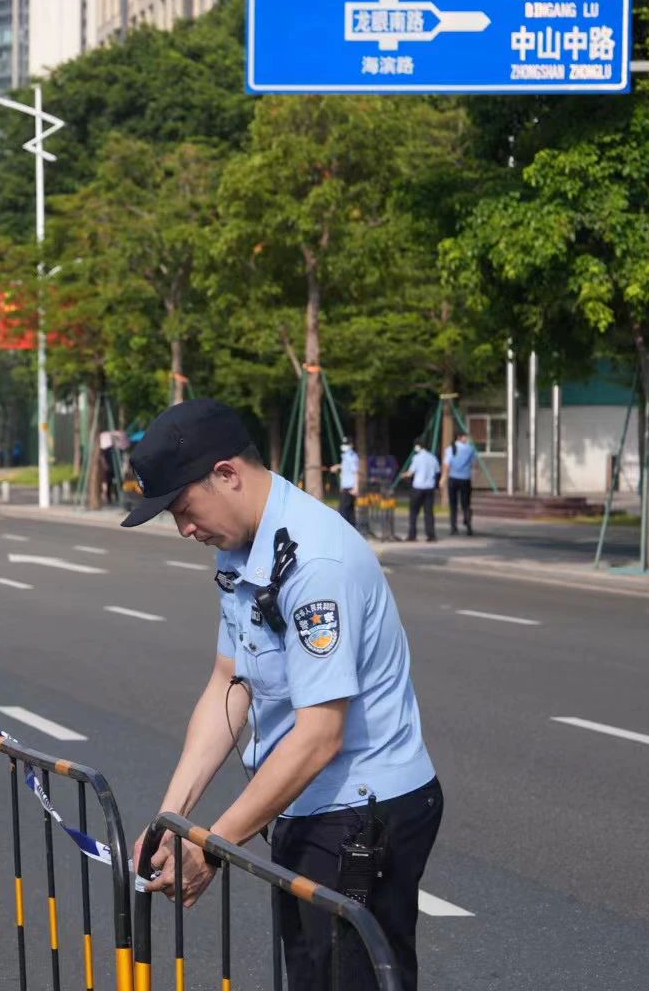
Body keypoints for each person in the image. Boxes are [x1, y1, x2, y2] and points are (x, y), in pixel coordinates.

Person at [120, 399, 441, 991]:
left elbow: (320, 736)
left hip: (359, 812)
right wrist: (173, 820)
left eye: (183, 509)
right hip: (307, 802)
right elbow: (230, 683)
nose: (184, 529)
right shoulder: (243, 545)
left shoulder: (313, 564)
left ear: (227, 474)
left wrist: (210, 848)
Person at [400, 439, 440, 543]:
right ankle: (431, 535)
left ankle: (412, 535)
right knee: (429, 512)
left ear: (418, 446)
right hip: (429, 488)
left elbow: (410, 473)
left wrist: (402, 475)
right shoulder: (433, 458)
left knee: (413, 512)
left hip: (418, 487)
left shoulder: (416, 458)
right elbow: (437, 471)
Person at [445, 434, 477, 536]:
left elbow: (447, 464)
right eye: (465, 437)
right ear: (460, 437)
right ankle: (468, 526)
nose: (467, 438)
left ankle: (453, 528)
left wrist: (444, 477)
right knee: (466, 504)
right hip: (465, 479)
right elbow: (474, 464)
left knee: (453, 505)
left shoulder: (450, 448)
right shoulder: (470, 448)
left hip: (453, 479)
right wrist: (474, 475)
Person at [327, 437, 361, 527]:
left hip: (350, 488)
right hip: (346, 487)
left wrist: (356, 488)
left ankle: (345, 529)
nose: (344, 446)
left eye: (347, 444)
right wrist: (337, 467)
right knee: (349, 512)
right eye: (344, 444)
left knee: (343, 511)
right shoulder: (346, 455)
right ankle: (352, 529)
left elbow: (356, 472)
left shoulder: (352, 456)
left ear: (351, 445)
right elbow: (346, 466)